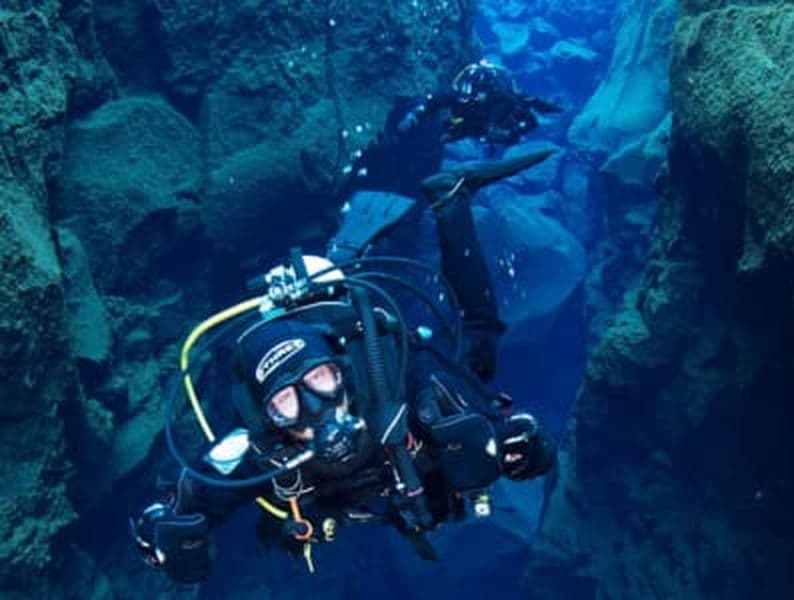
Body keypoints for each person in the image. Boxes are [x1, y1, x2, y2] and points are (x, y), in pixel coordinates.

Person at [130, 148, 558, 584]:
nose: (314, 406)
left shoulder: (403, 387)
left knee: (479, 348)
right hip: (376, 489)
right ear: (267, 417)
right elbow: (187, 496)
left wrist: (521, 444)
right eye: (286, 403)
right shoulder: (261, 451)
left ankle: (450, 201)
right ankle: (336, 262)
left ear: (343, 370)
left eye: (319, 379)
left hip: (392, 419)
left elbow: (495, 423)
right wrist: (159, 531)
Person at [396, 60, 563, 146]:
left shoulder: (504, 99)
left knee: (502, 136)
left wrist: (511, 133)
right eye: (466, 97)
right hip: (471, 124)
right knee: (444, 135)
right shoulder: (458, 94)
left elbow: (531, 119)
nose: (471, 99)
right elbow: (433, 100)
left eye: (475, 97)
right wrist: (414, 115)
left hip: (487, 125)